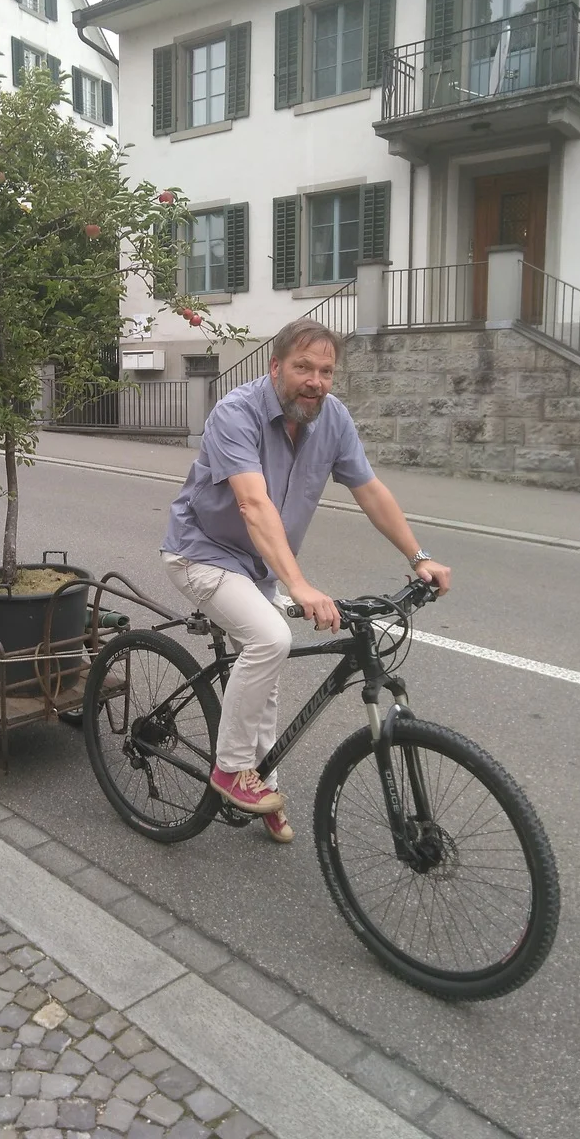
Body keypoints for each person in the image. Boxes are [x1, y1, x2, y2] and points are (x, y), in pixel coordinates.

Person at [161, 318, 451, 844]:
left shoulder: (332, 419)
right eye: (303, 368)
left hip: (260, 565)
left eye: (325, 371)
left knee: (265, 678)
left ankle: (265, 786)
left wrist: (420, 556)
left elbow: (370, 490)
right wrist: (299, 585)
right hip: (202, 553)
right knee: (270, 640)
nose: (315, 381)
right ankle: (230, 770)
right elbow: (251, 502)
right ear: (276, 368)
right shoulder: (236, 413)